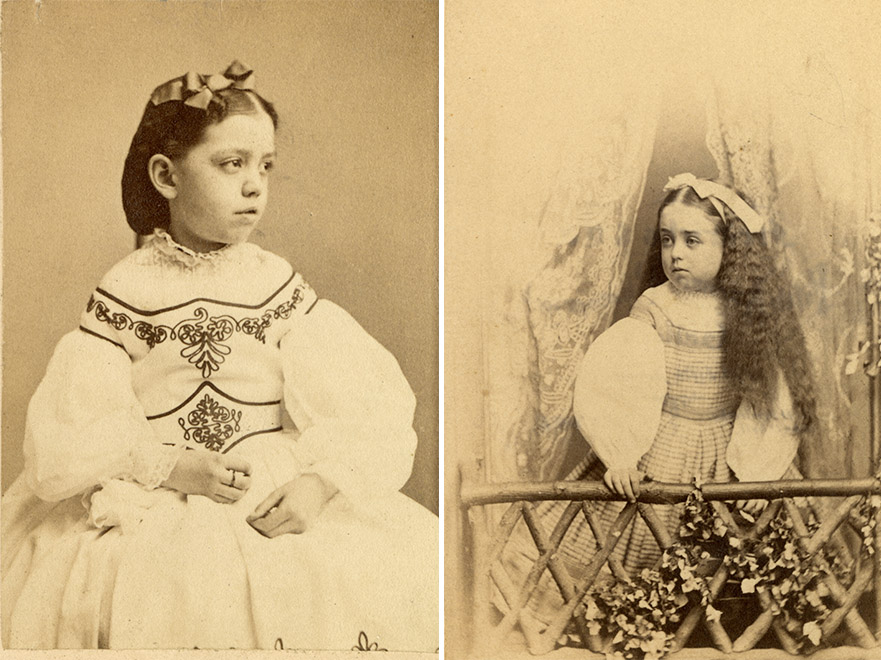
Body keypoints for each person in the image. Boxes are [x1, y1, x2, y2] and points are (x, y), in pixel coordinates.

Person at [1, 61, 438, 651]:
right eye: (231, 164)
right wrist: (171, 466)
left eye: (265, 166)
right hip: (157, 504)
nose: (255, 184)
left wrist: (320, 484)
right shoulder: (126, 291)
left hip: (270, 491)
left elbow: (363, 411)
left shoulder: (275, 286)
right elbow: (73, 439)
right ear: (166, 176)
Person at [500, 173, 816, 625]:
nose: (677, 253)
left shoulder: (748, 311)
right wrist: (620, 454)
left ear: (731, 249)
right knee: (642, 548)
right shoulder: (656, 307)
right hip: (662, 443)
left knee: (748, 551)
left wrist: (760, 474)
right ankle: (640, 623)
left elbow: (773, 397)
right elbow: (618, 382)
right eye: (668, 240)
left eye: (693, 240)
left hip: (733, 449)